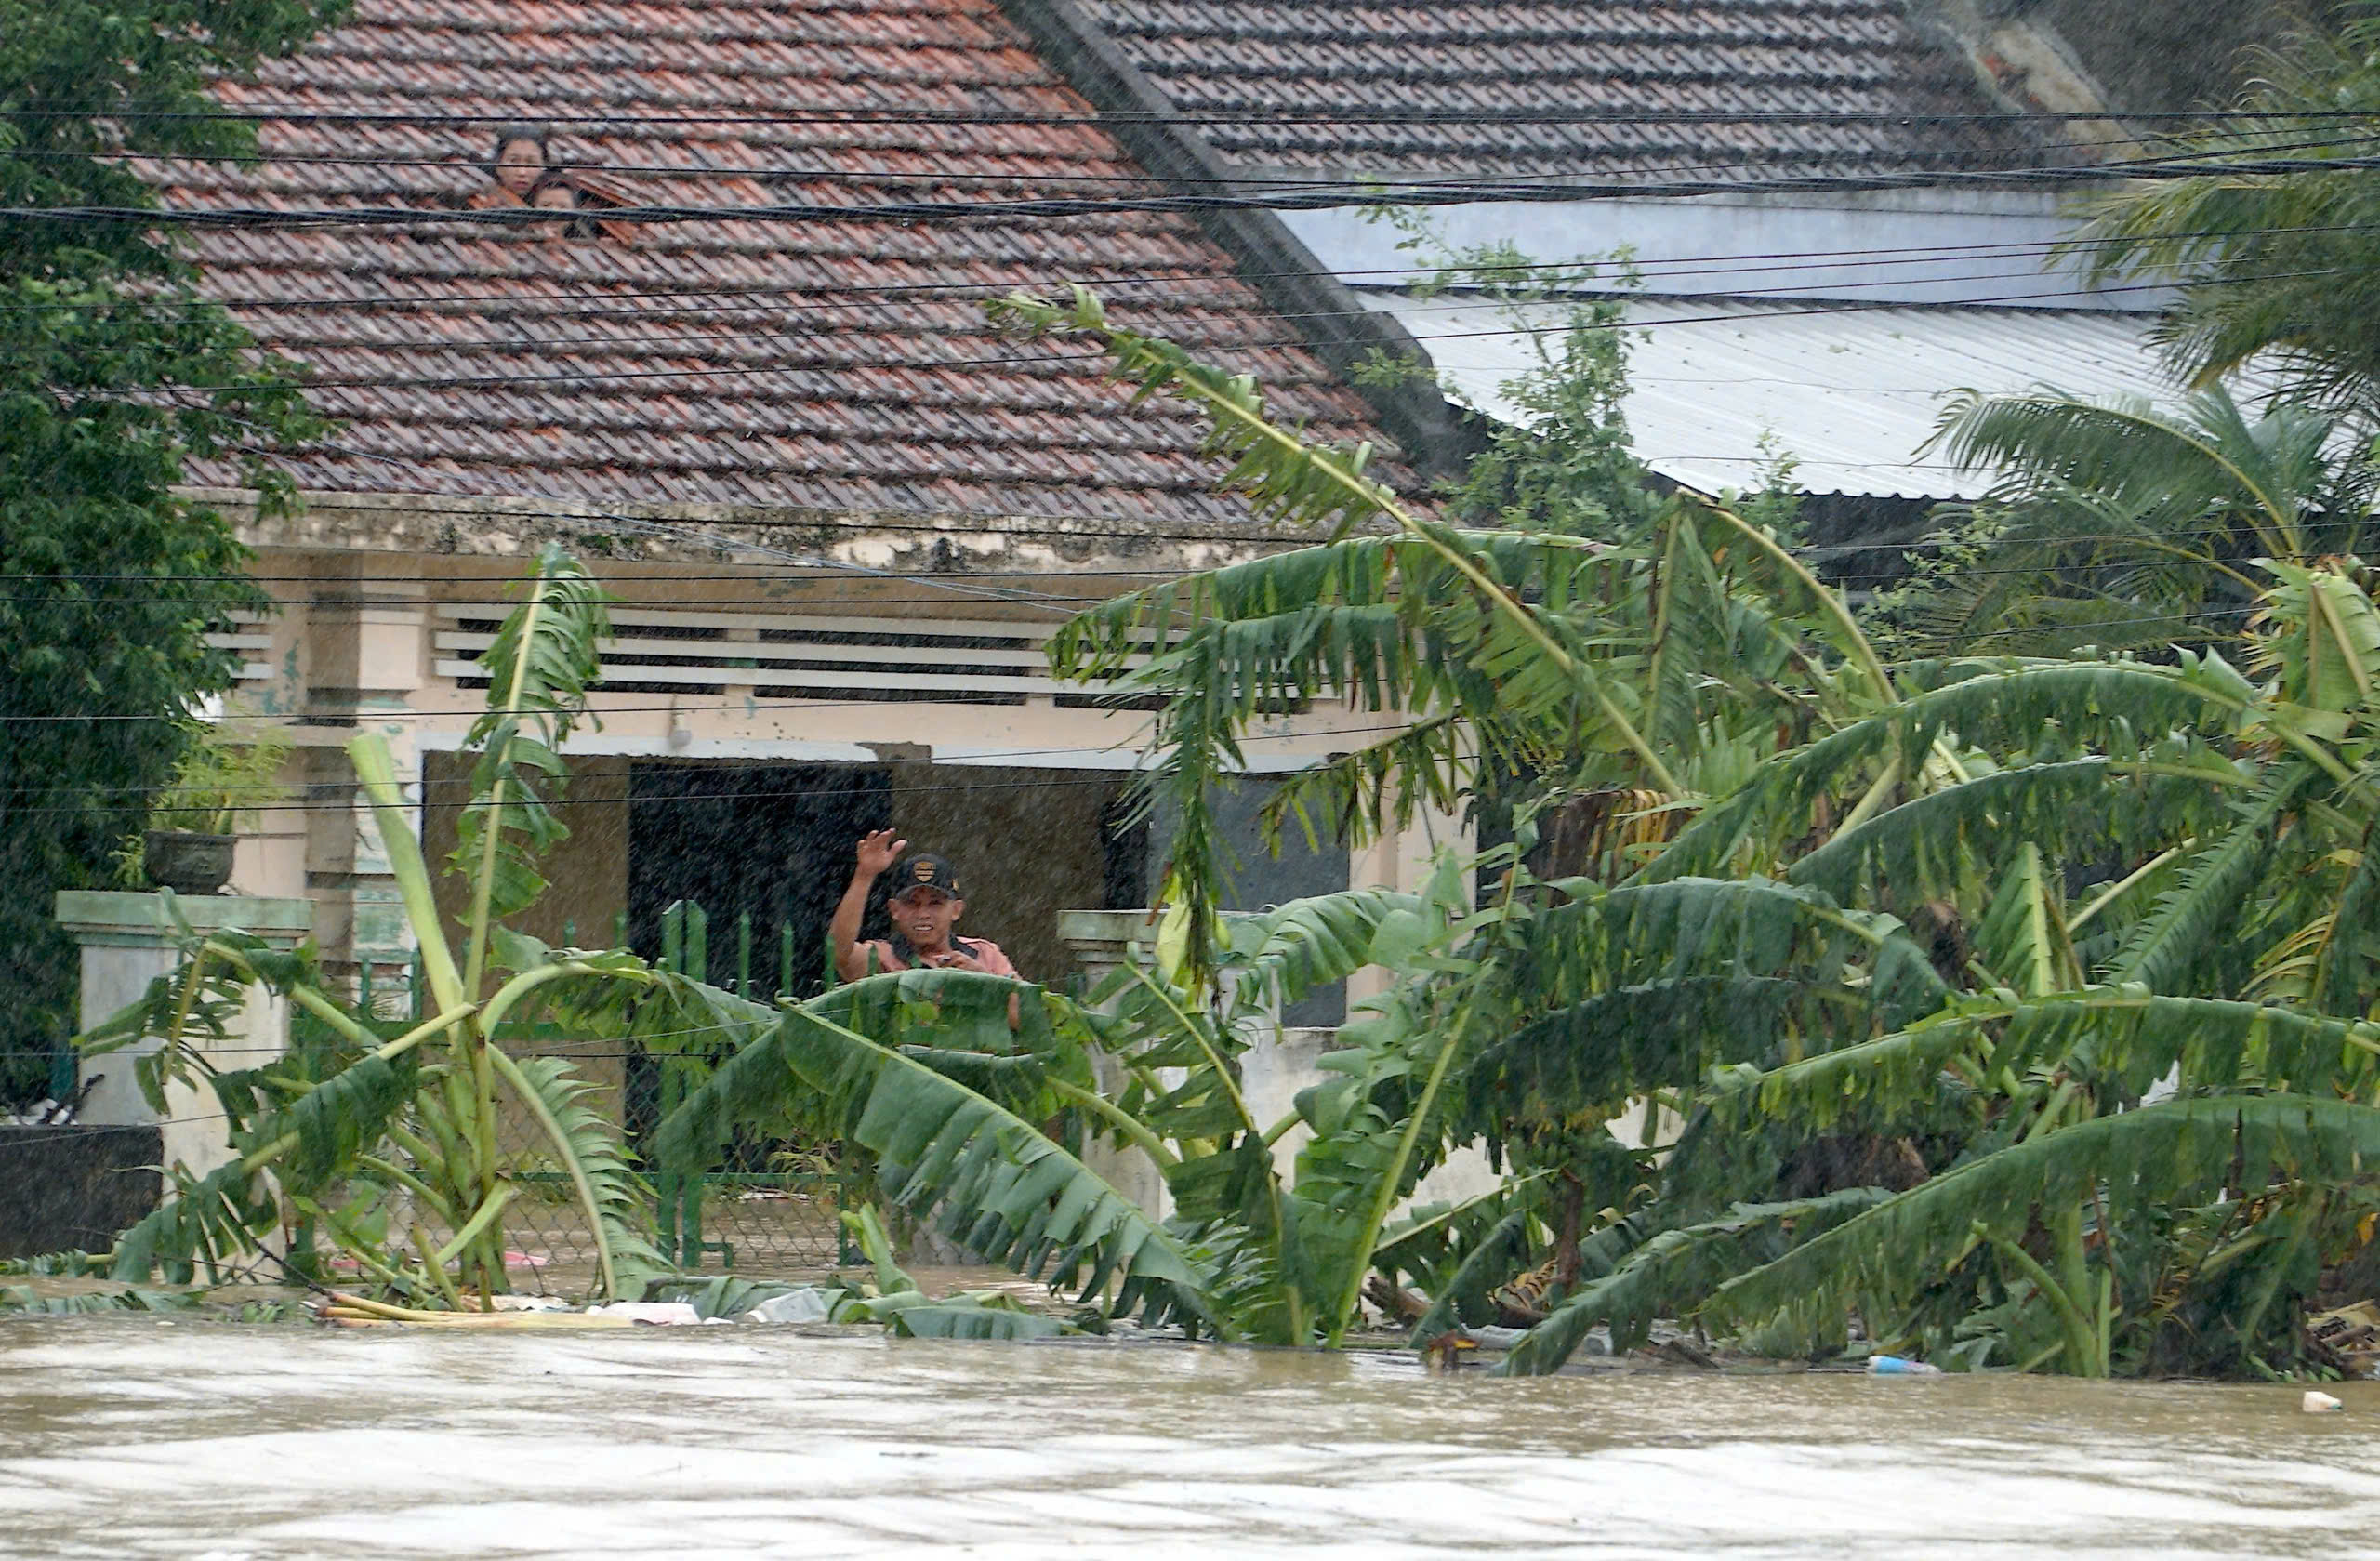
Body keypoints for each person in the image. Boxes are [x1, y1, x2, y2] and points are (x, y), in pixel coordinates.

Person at [829, 830, 1019, 984]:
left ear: (956, 910)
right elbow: (838, 952)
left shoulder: (985, 953)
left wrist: (984, 981)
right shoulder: (880, 955)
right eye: (912, 903)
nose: (923, 914)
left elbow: (1030, 1014)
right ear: (894, 910)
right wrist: (864, 875)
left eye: (935, 903)